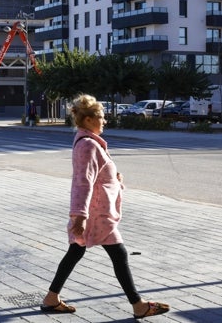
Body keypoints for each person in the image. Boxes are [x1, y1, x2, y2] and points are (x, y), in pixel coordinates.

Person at [41, 94, 169, 319]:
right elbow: (82, 181)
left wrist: (114, 177)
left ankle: (51, 298)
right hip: (96, 213)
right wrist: (79, 216)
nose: (105, 121)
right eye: (101, 117)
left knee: (75, 252)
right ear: (88, 120)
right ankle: (138, 305)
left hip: (95, 211)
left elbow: (96, 175)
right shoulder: (88, 145)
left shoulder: (89, 141)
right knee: (119, 254)